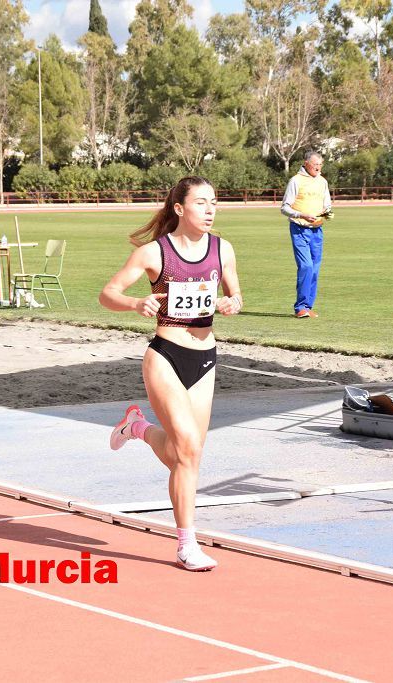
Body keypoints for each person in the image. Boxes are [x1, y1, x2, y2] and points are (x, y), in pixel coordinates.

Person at [99, 176, 243, 571]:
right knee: (188, 449)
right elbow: (107, 293)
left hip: (206, 356)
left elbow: (236, 294)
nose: (211, 210)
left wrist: (231, 303)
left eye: (214, 202)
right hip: (165, 355)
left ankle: (138, 428)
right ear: (180, 209)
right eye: (201, 203)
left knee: (188, 454)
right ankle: (186, 544)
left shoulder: (222, 249)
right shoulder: (154, 253)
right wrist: (134, 304)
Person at [280, 151, 333, 318]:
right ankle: (300, 307)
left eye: (320, 165)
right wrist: (301, 215)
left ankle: (308, 307)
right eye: (315, 164)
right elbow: (285, 208)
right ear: (306, 163)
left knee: (315, 269)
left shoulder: (322, 182)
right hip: (299, 229)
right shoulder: (296, 180)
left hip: (317, 230)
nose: (318, 167)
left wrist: (327, 213)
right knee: (306, 266)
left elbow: (327, 204)